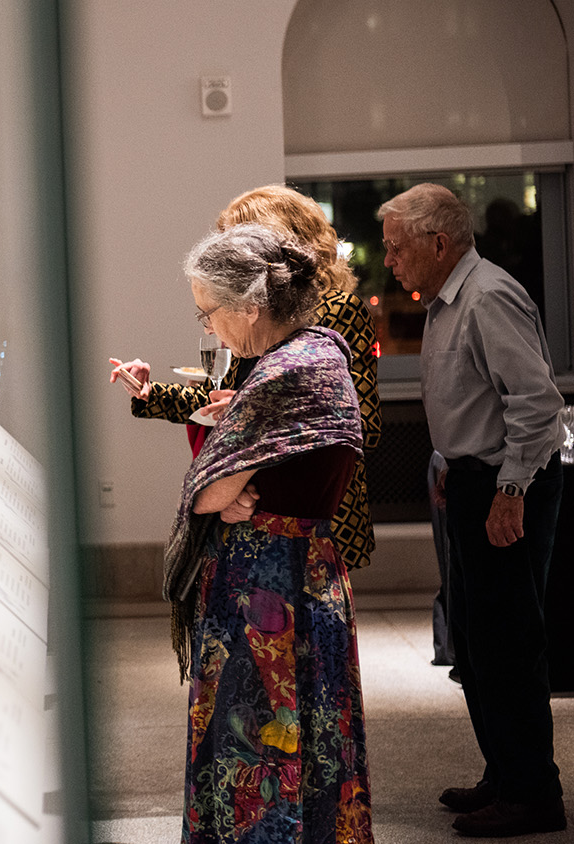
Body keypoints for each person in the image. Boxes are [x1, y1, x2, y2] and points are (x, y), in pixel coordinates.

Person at [165, 223, 371, 842]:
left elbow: (208, 490)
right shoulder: (319, 352)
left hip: (266, 592)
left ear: (250, 306)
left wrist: (223, 497)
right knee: (310, 741)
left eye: (209, 313)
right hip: (302, 578)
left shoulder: (286, 372)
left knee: (255, 748)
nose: (208, 328)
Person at [379, 183, 566, 837]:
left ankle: (532, 793)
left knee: (509, 642)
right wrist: (452, 469)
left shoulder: (488, 297)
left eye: (397, 249)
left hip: (505, 489)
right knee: (475, 640)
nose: (389, 262)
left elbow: (537, 405)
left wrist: (508, 492)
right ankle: (506, 772)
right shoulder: (443, 305)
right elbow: (471, 403)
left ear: (438, 243)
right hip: (469, 481)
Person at [112, 185, 381, 569]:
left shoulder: (334, 312)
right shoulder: (247, 320)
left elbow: (357, 422)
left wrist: (248, 419)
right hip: (248, 497)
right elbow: (220, 396)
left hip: (310, 508)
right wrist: (150, 392)